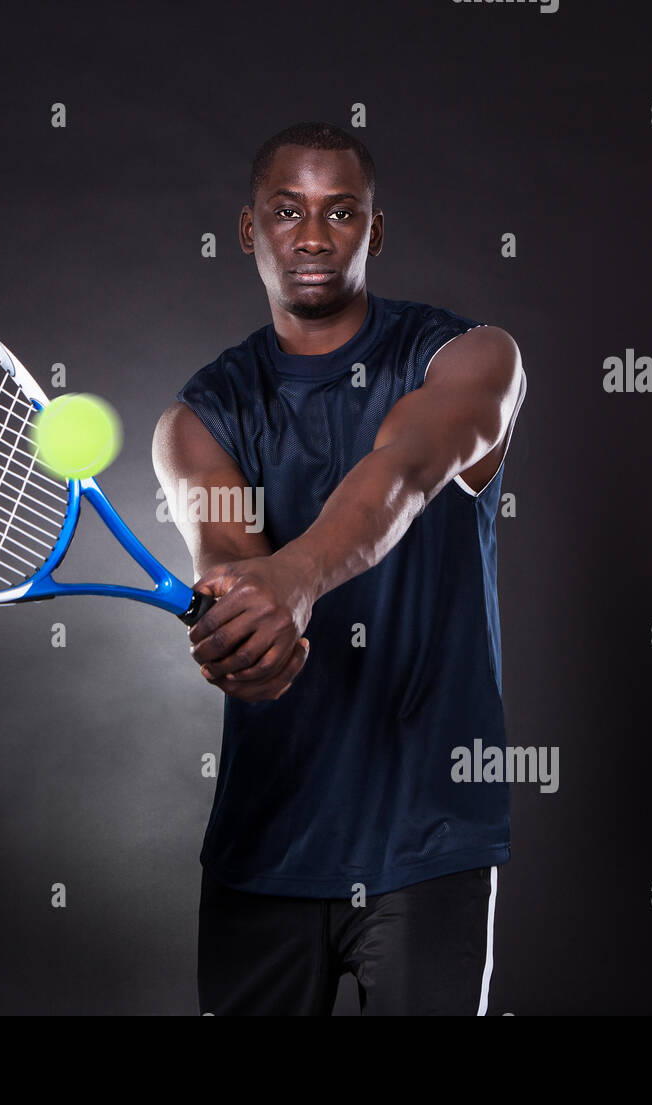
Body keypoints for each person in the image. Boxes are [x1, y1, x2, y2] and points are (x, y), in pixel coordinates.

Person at [151, 121, 526, 1015]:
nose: (313, 237)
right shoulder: (200, 419)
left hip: (427, 842)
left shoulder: (471, 360)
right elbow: (231, 555)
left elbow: (403, 471)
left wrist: (296, 579)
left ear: (374, 231)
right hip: (264, 844)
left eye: (341, 212)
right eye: (287, 211)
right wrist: (249, 632)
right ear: (250, 230)